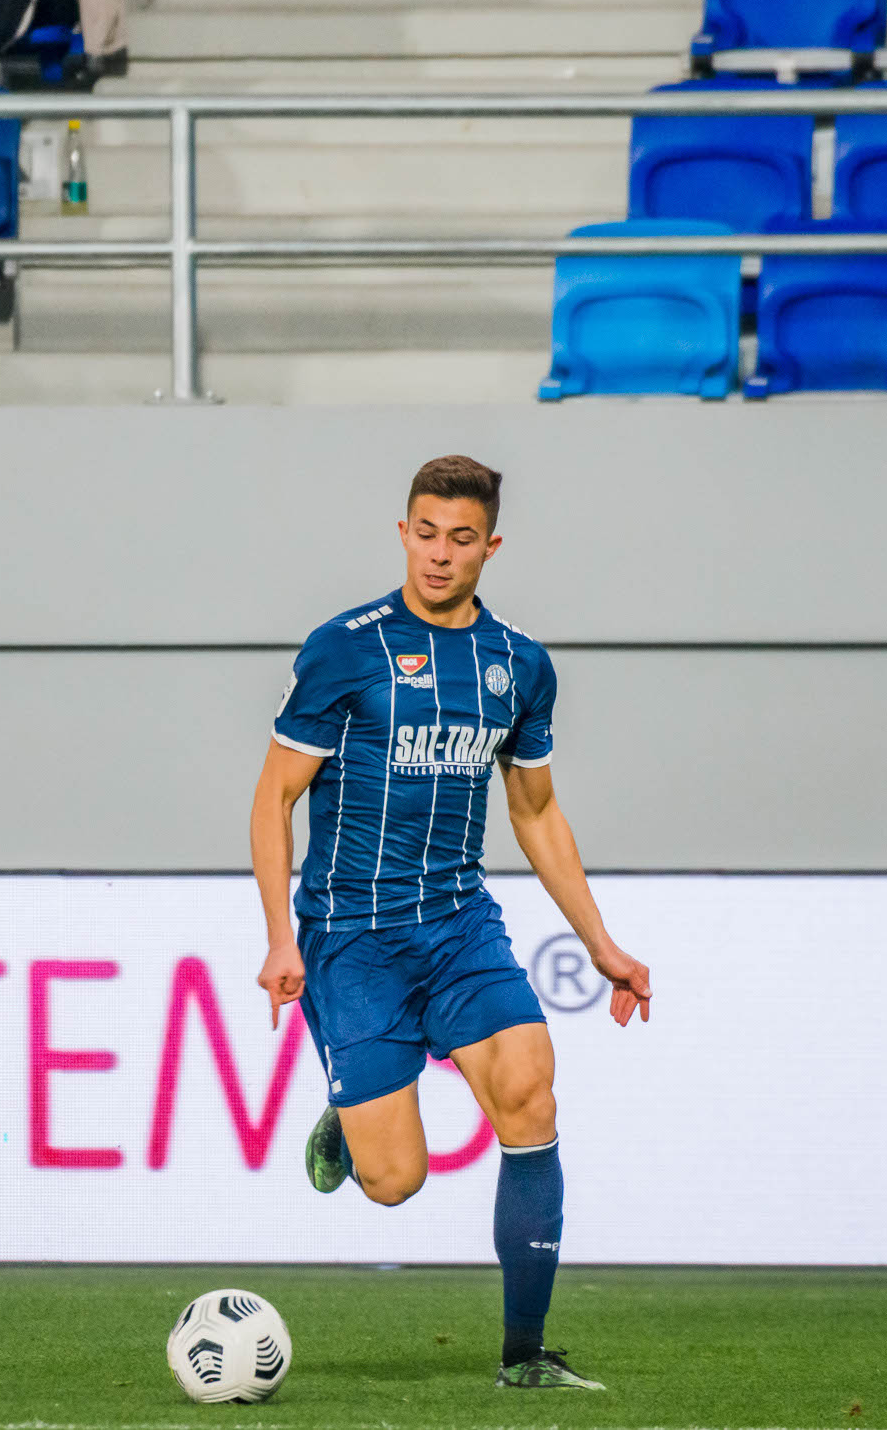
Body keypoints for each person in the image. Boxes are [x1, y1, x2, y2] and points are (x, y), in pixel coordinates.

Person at [250, 454, 653, 1393]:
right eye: (425, 532)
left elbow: (538, 812)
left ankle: (527, 1354)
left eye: (460, 538)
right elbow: (273, 801)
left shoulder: (519, 665)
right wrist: (279, 936)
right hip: (351, 934)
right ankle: (355, 1127)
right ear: (404, 533)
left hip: (459, 923)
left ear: (490, 546)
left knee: (531, 1094)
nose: (439, 553)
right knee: (395, 1182)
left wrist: (604, 946)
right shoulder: (343, 648)